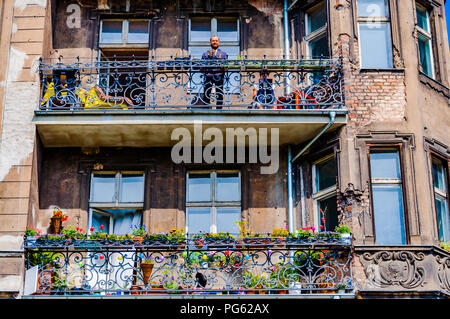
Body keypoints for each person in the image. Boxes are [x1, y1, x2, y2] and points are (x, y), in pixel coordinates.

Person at [201, 36, 228, 109]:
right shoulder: (205, 54)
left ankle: (219, 110)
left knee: (219, 93)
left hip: (219, 76)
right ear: (210, 42)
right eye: (213, 41)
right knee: (207, 93)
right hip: (208, 76)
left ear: (219, 42)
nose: (215, 42)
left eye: (216, 41)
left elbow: (226, 66)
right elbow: (202, 66)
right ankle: (206, 109)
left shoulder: (223, 54)